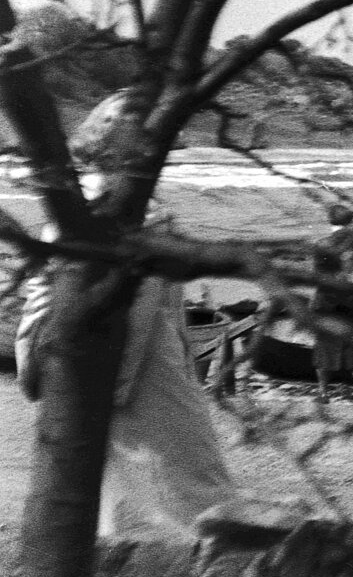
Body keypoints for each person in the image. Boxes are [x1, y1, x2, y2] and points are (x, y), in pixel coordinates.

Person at [14, 91, 237, 539]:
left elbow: (168, 312)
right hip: (123, 377)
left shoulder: (110, 211)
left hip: (122, 371)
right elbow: (104, 313)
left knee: (146, 501)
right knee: (173, 501)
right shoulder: (113, 215)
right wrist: (91, 382)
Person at [310, 203, 353, 405]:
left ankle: (323, 393)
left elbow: (318, 277)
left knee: (323, 348)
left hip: (328, 303)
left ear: (330, 221)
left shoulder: (322, 244)